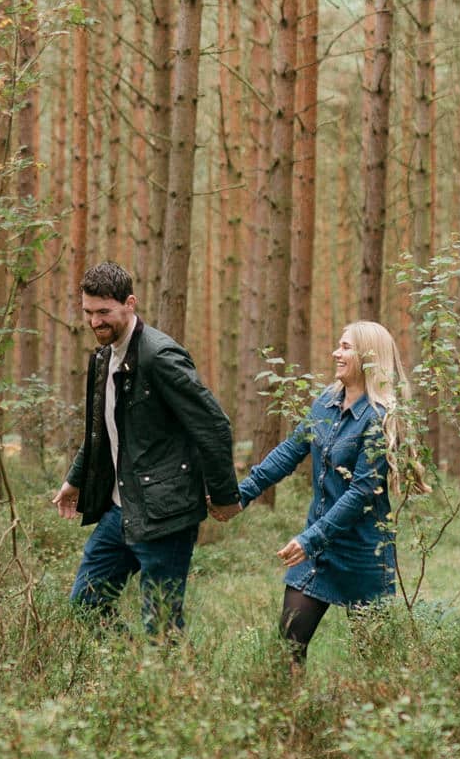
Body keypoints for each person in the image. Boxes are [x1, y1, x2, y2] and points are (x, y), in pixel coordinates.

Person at [54, 262, 239, 632]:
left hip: (165, 516)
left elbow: (213, 425)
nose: (95, 322)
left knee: (162, 626)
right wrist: (75, 480)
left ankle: (167, 685)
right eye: (88, 312)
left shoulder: (160, 356)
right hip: (120, 512)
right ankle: (128, 672)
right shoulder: (105, 356)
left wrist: (224, 495)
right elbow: (102, 430)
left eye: (104, 312)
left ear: (130, 304)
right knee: (85, 605)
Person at [236, 321, 406, 663]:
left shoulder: (378, 419)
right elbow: (289, 451)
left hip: (363, 554)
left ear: (368, 357)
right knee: (288, 646)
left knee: (374, 661)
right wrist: (242, 493)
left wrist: (310, 539)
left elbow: (360, 493)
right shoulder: (325, 403)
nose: (336, 353)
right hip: (318, 552)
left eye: (345, 347)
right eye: (338, 346)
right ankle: (292, 714)